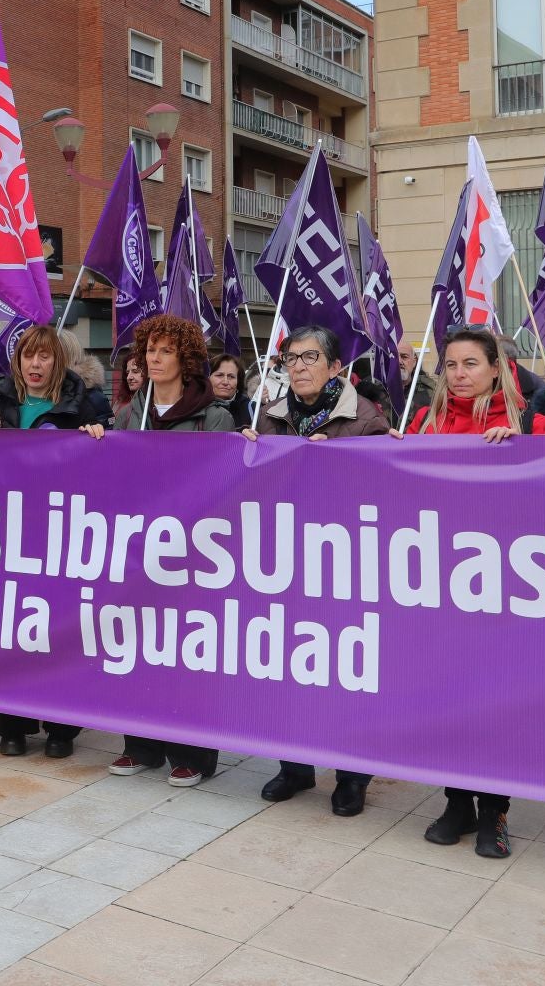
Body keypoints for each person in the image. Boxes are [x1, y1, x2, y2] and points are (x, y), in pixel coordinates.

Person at [399, 326, 545, 857]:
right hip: (437, 584)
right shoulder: (421, 422)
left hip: (502, 590)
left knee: (495, 702)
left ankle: (495, 810)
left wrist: (528, 451)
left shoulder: (530, 423)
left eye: (470, 364)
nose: (459, 375)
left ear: (496, 368)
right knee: (447, 696)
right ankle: (456, 801)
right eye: (451, 365)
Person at [243, 325, 390, 812]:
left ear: (333, 366)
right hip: (287, 561)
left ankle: (352, 774)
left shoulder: (365, 419)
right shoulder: (272, 418)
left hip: (345, 563)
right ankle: (294, 766)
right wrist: (246, 454)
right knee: (289, 667)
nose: (300, 367)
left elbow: (383, 492)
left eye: (310, 358)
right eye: (291, 359)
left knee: (345, 671)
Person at [109, 313, 233, 788]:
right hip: (144, 553)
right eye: (149, 350)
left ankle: (193, 753)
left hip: (195, 555)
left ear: (185, 358)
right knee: (140, 647)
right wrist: (98, 443)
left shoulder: (214, 416)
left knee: (189, 654)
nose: (154, 358)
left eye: (164, 350)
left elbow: (226, 482)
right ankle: (140, 745)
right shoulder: (129, 413)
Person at [0, 325, 109, 757]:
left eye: (44, 357)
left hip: (61, 534)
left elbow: (105, 470)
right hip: (5, 534)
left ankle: (61, 725)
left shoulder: (85, 403)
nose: (35, 365)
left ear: (58, 361)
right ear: (18, 361)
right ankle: (11, 722)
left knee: (59, 630)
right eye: (28, 356)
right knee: (12, 629)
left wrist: (98, 441)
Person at [207, 353, 251, 426]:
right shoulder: (196, 407)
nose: (225, 382)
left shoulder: (250, 409)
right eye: (219, 375)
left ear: (238, 382)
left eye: (231, 376)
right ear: (207, 378)